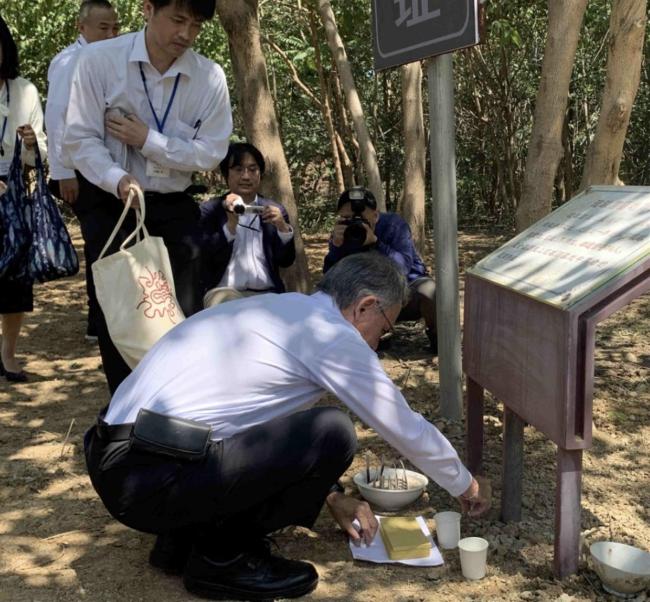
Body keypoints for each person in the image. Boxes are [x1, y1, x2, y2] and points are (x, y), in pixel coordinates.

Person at [84, 252, 490, 601]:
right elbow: (403, 425)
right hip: (150, 477)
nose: (376, 345)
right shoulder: (330, 335)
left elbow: (258, 423)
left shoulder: (283, 309)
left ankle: (184, 540)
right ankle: (222, 558)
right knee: (332, 431)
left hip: (119, 459)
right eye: (383, 330)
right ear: (364, 306)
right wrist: (465, 485)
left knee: (310, 428)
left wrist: (332, 497)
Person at [62, 0, 233, 393]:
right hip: (114, 205)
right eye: (177, 20)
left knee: (182, 312)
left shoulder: (209, 76)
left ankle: (176, 401)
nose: (185, 35)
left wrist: (149, 141)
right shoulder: (99, 62)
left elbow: (211, 150)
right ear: (147, 9)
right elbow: (80, 137)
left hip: (174, 206)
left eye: (196, 25)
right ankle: (126, 408)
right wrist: (116, 178)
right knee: (120, 314)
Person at [45, 0, 119, 343]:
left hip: (110, 167)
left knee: (114, 243)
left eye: (114, 28)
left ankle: (112, 315)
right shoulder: (68, 62)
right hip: (80, 172)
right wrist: (63, 171)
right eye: (102, 27)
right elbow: (57, 118)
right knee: (99, 244)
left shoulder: (112, 59)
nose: (110, 33)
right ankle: (98, 322)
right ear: (81, 27)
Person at [324, 186, 438, 353]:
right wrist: (337, 247)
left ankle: (438, 340)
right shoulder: (342, 233)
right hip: (366, 298)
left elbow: (404, 268)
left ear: (375, 215)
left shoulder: (394, 225)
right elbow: (329, 279)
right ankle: (370, 336)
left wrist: (375, 242)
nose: (355, 223)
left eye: (361, 218)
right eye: (347, 218)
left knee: (430, 291)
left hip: (404, 292)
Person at [0, 15, 48, 383]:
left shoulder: (25, 91)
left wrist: (33, 143)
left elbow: (43, 148)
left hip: (15, 190)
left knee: (15, 280)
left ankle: (8, 355)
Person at [199, 142, 295, 307]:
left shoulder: (274, 210)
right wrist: (230, 226)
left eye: (253, 169)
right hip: (224, 294)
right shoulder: (211, 210)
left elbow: (286, 261)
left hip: (268, 294)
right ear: (226, 174)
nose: (246, 176)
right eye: (238, 170)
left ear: (260, 174)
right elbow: (204, 258)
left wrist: (282, 228)